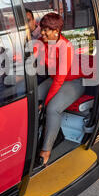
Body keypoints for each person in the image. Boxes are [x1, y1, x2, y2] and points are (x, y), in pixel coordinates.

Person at [34, 12, 88, 166]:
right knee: (33, 97)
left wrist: (45, 102)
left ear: (56, 31)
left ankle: (46, 150)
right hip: (55, 79)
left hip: (74, 82)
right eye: (42, 28)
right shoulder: (41, 41)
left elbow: (59, 80)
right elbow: (30, 57)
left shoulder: (66, 47)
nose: (42, 32)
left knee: (52, 108)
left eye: (46, 30)